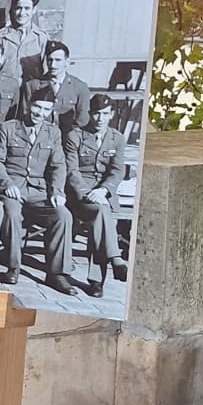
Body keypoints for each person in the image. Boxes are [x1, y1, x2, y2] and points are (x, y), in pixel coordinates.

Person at [0, 87, 77, 292]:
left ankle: (57, 274)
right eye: (37, 106)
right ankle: (13, 267)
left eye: (46, 109)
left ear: (51, 111)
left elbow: (58, 166)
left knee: (63, 215)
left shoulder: (53, 132)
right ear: (29, 105)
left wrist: (57, 192)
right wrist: (7, 184)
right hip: (13, 189)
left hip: (39, 192)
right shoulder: (8, 128)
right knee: (11, 212)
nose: (40, 113)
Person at [64, 93, 129, 294]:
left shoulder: (117, 138)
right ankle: (112, 263)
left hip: (104, 194)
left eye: (105, 114)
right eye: (97, 114)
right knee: (101, 213)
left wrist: (103, 190)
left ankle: (97, 281)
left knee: (99, 218)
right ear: (90, 114)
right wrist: (87, 193)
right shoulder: (75, 136)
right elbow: (71, 171)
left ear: (111, 114)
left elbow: (117, 170)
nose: (100, 118)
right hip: (79, 195)